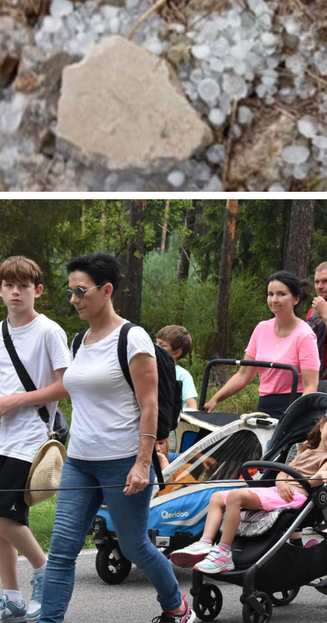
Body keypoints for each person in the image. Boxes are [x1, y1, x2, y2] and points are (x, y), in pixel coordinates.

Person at [40, 252, 193, 623]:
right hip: (79, 460)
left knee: (135, 545)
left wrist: (143, 462)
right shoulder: (79, 341)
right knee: (61, 549)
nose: (74, 299)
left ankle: (175, 605)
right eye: (70, 292)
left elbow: (150, 405)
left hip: (123, 462)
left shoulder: (133, 338)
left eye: (81, 291)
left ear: (106, 290)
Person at [171, 405, 327, 573]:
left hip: (295, 496)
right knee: (217, 497)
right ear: (322, 426)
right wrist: (281, 482)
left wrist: (326, 476)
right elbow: (284, 472)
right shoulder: (305, 450)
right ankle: (204, 543)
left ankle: (223, 553)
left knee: (236, 496)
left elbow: (316, 480)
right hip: (280, 491)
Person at [0, 257, 69, 623]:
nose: (15, 291)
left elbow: (66, 385)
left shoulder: (49, 331)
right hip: (0, 437)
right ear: (0, 289)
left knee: (4, 517)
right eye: (9, 284)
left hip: (30, 439)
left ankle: (45, 573)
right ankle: (11, 597)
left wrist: (14, 401)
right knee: (0, 521)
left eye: (23, 285)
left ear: (37, 291)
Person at [205, 271, 320, 418]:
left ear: (296, 299)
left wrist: (296, 415)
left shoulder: (305, 335)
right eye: (270, 294)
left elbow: (310, 385)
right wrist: (215, 398)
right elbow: (243, 374)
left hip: (292, 405)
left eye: (281, 294)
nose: (274, 300)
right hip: (264, 406)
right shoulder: (262, 329)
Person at [155, 325, 198, 410]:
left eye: (162, 345)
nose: (156, 348)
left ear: (176, 353)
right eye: (156, 343)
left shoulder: (183, 376)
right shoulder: (151, 371)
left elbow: (192, 407)